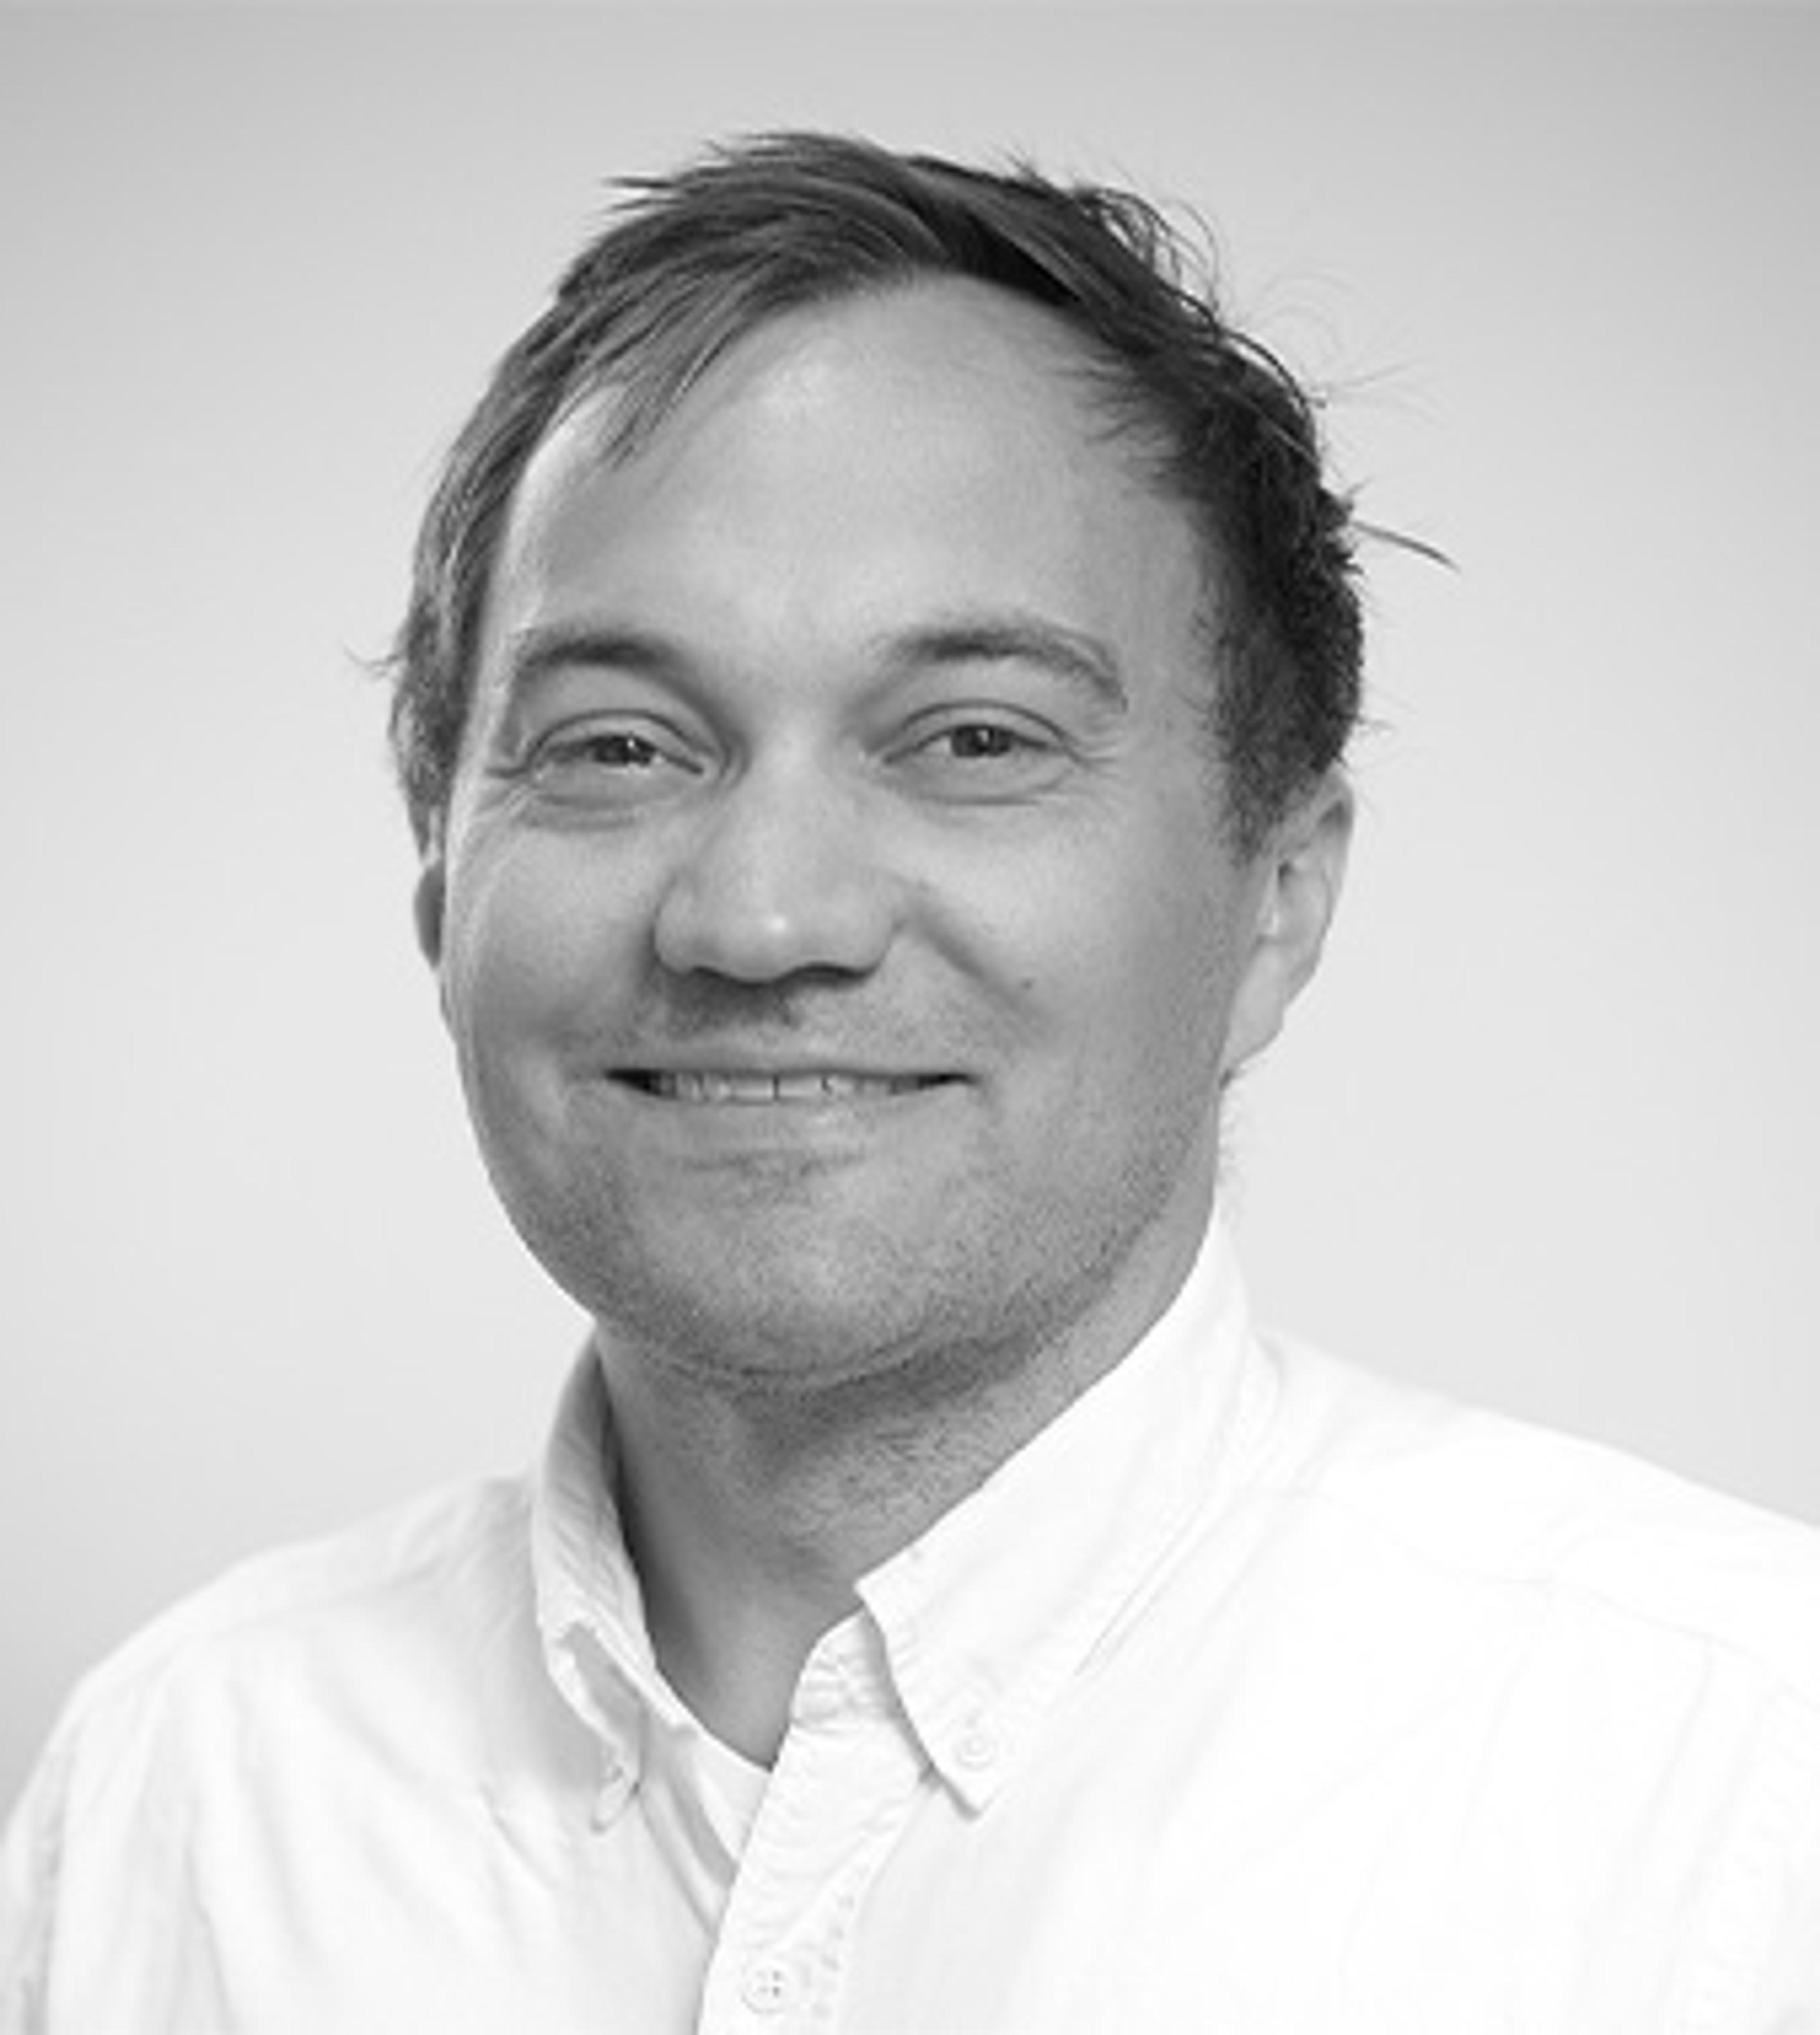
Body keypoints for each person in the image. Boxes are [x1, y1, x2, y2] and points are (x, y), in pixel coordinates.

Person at [3, 130, 1817, 2034]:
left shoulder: (1734, 1806)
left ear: (1278, 901)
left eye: (973, 739)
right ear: (442, 882)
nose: (763, 917)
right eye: (620, 746)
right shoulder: (181, 1795)